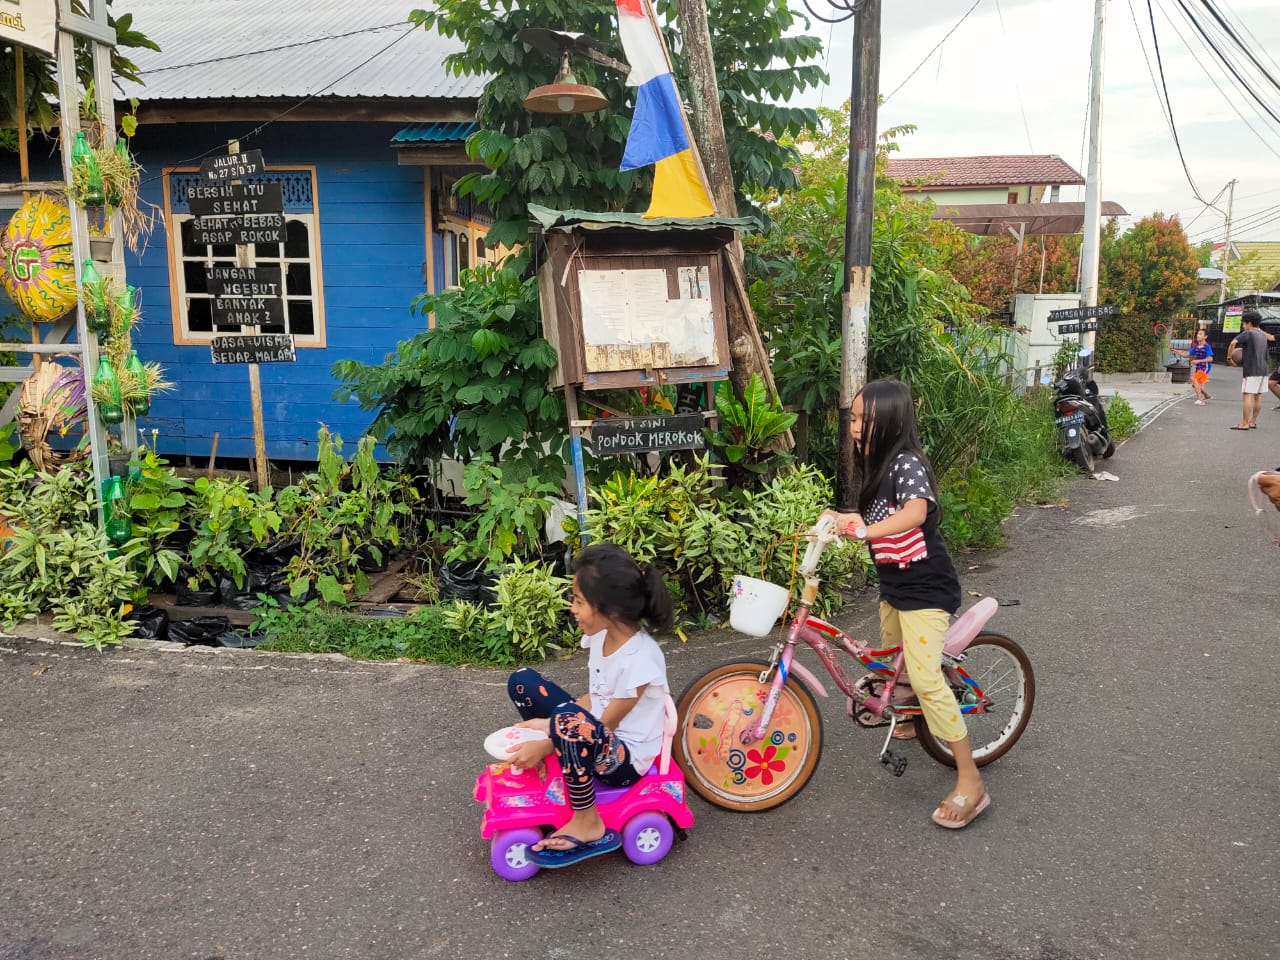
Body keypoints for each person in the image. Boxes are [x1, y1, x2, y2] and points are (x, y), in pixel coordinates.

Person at [821, 378, 986, 830]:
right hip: (895, 586)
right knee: (891, 662)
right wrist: (840, 519)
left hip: (927, 590)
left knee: (927, 677)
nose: (854, 426)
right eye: (853, 419)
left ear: (890, 421)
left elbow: (914, 512)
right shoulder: (876, 465)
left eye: (863, 419)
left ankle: (970, 780)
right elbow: (877, 517)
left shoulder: (906, 463)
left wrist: (864, 532)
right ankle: (909, 719)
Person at [504, 542, 674, 868]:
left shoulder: (640, 660)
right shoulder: (602, 634)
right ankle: (564, 749)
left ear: (609, 609)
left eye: (579, 602)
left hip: (623, 759)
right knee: (523, 682)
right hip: (592, 730)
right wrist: (553, 724)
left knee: (566, 721)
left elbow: (605, 724)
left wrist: (548, 739)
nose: (573, 609)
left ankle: (587, 821)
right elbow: (595, 695)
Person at [1226, 311, 1276, 429]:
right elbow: (1271, 340)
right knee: (1258, 396)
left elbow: (1233, 343)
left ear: (1249, 323)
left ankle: (1244, 423)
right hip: (1263, 370)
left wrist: (1229, 358)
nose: (1243, 326)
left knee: (1247, 395)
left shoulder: (1248, 333)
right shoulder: (1263, 335)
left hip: (1251, 370)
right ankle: (1252, 422)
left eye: (1243, 323)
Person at [1170, 328, 1213, 404]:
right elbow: (1187, 354)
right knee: (1194, 384)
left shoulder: (1207, 347)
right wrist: (1177, 352)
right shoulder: (1196, 347)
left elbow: (1210, 359)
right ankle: (1207, 395)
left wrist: (1198, 361)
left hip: (1205, 367)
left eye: (1200, 334)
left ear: (1205, 337)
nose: (1198, 335)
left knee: (1194, 379)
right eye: (1198, 334)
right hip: (1198, 367)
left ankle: (1200, 400)